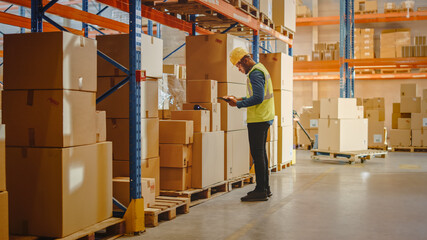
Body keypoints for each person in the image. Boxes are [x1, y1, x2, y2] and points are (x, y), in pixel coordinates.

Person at [224, 47, 275, 202]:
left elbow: (258, 98)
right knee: (261, 154)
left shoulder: (255, 73)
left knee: (258, 154)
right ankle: (265, 188)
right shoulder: (260, 69)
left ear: (245, 60)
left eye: (239, 65)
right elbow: (254, 95)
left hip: (259, 119)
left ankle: (260, 190)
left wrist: (238, 105)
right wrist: (238, 99)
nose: (239, 69)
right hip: (263, 117)